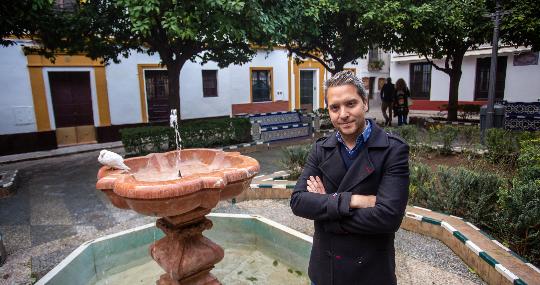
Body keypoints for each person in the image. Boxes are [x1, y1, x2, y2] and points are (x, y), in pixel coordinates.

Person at [290, 70, 410, 285]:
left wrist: (327, 210)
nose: (343, 114)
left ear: (364, 103)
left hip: (371, 273)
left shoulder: (392, 150)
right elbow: (298, 202)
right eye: (335, 108)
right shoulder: (320, 149)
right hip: (325, 272)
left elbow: (388, 217)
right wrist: (355, 200)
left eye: (350, 104)